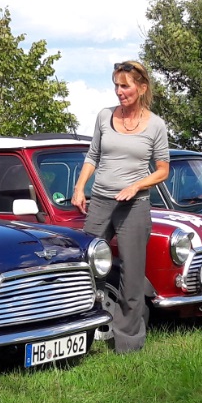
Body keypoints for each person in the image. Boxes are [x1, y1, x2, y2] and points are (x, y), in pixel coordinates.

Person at [72, 60, 170, 354]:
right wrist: (79, 188)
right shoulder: (104, 116)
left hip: (134, 206)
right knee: (85, 266)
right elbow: (93, 156)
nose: (119, 91)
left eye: (125, 86)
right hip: (100, 202)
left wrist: (137, 186)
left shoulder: (156, 125)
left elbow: (163, 170)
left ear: (141, 88)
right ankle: (80, 333)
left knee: (131, 276)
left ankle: (128, 344)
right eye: (116, 85)